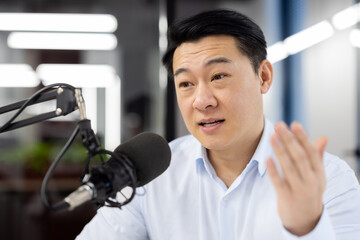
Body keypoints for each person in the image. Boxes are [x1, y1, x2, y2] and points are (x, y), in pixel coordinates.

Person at [76, 9, 360, 239]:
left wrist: (307, 228)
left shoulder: (328, 180)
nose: (202, 100)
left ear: (263, 76)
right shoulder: (153, 175)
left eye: (218, 77)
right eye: (185, 83)